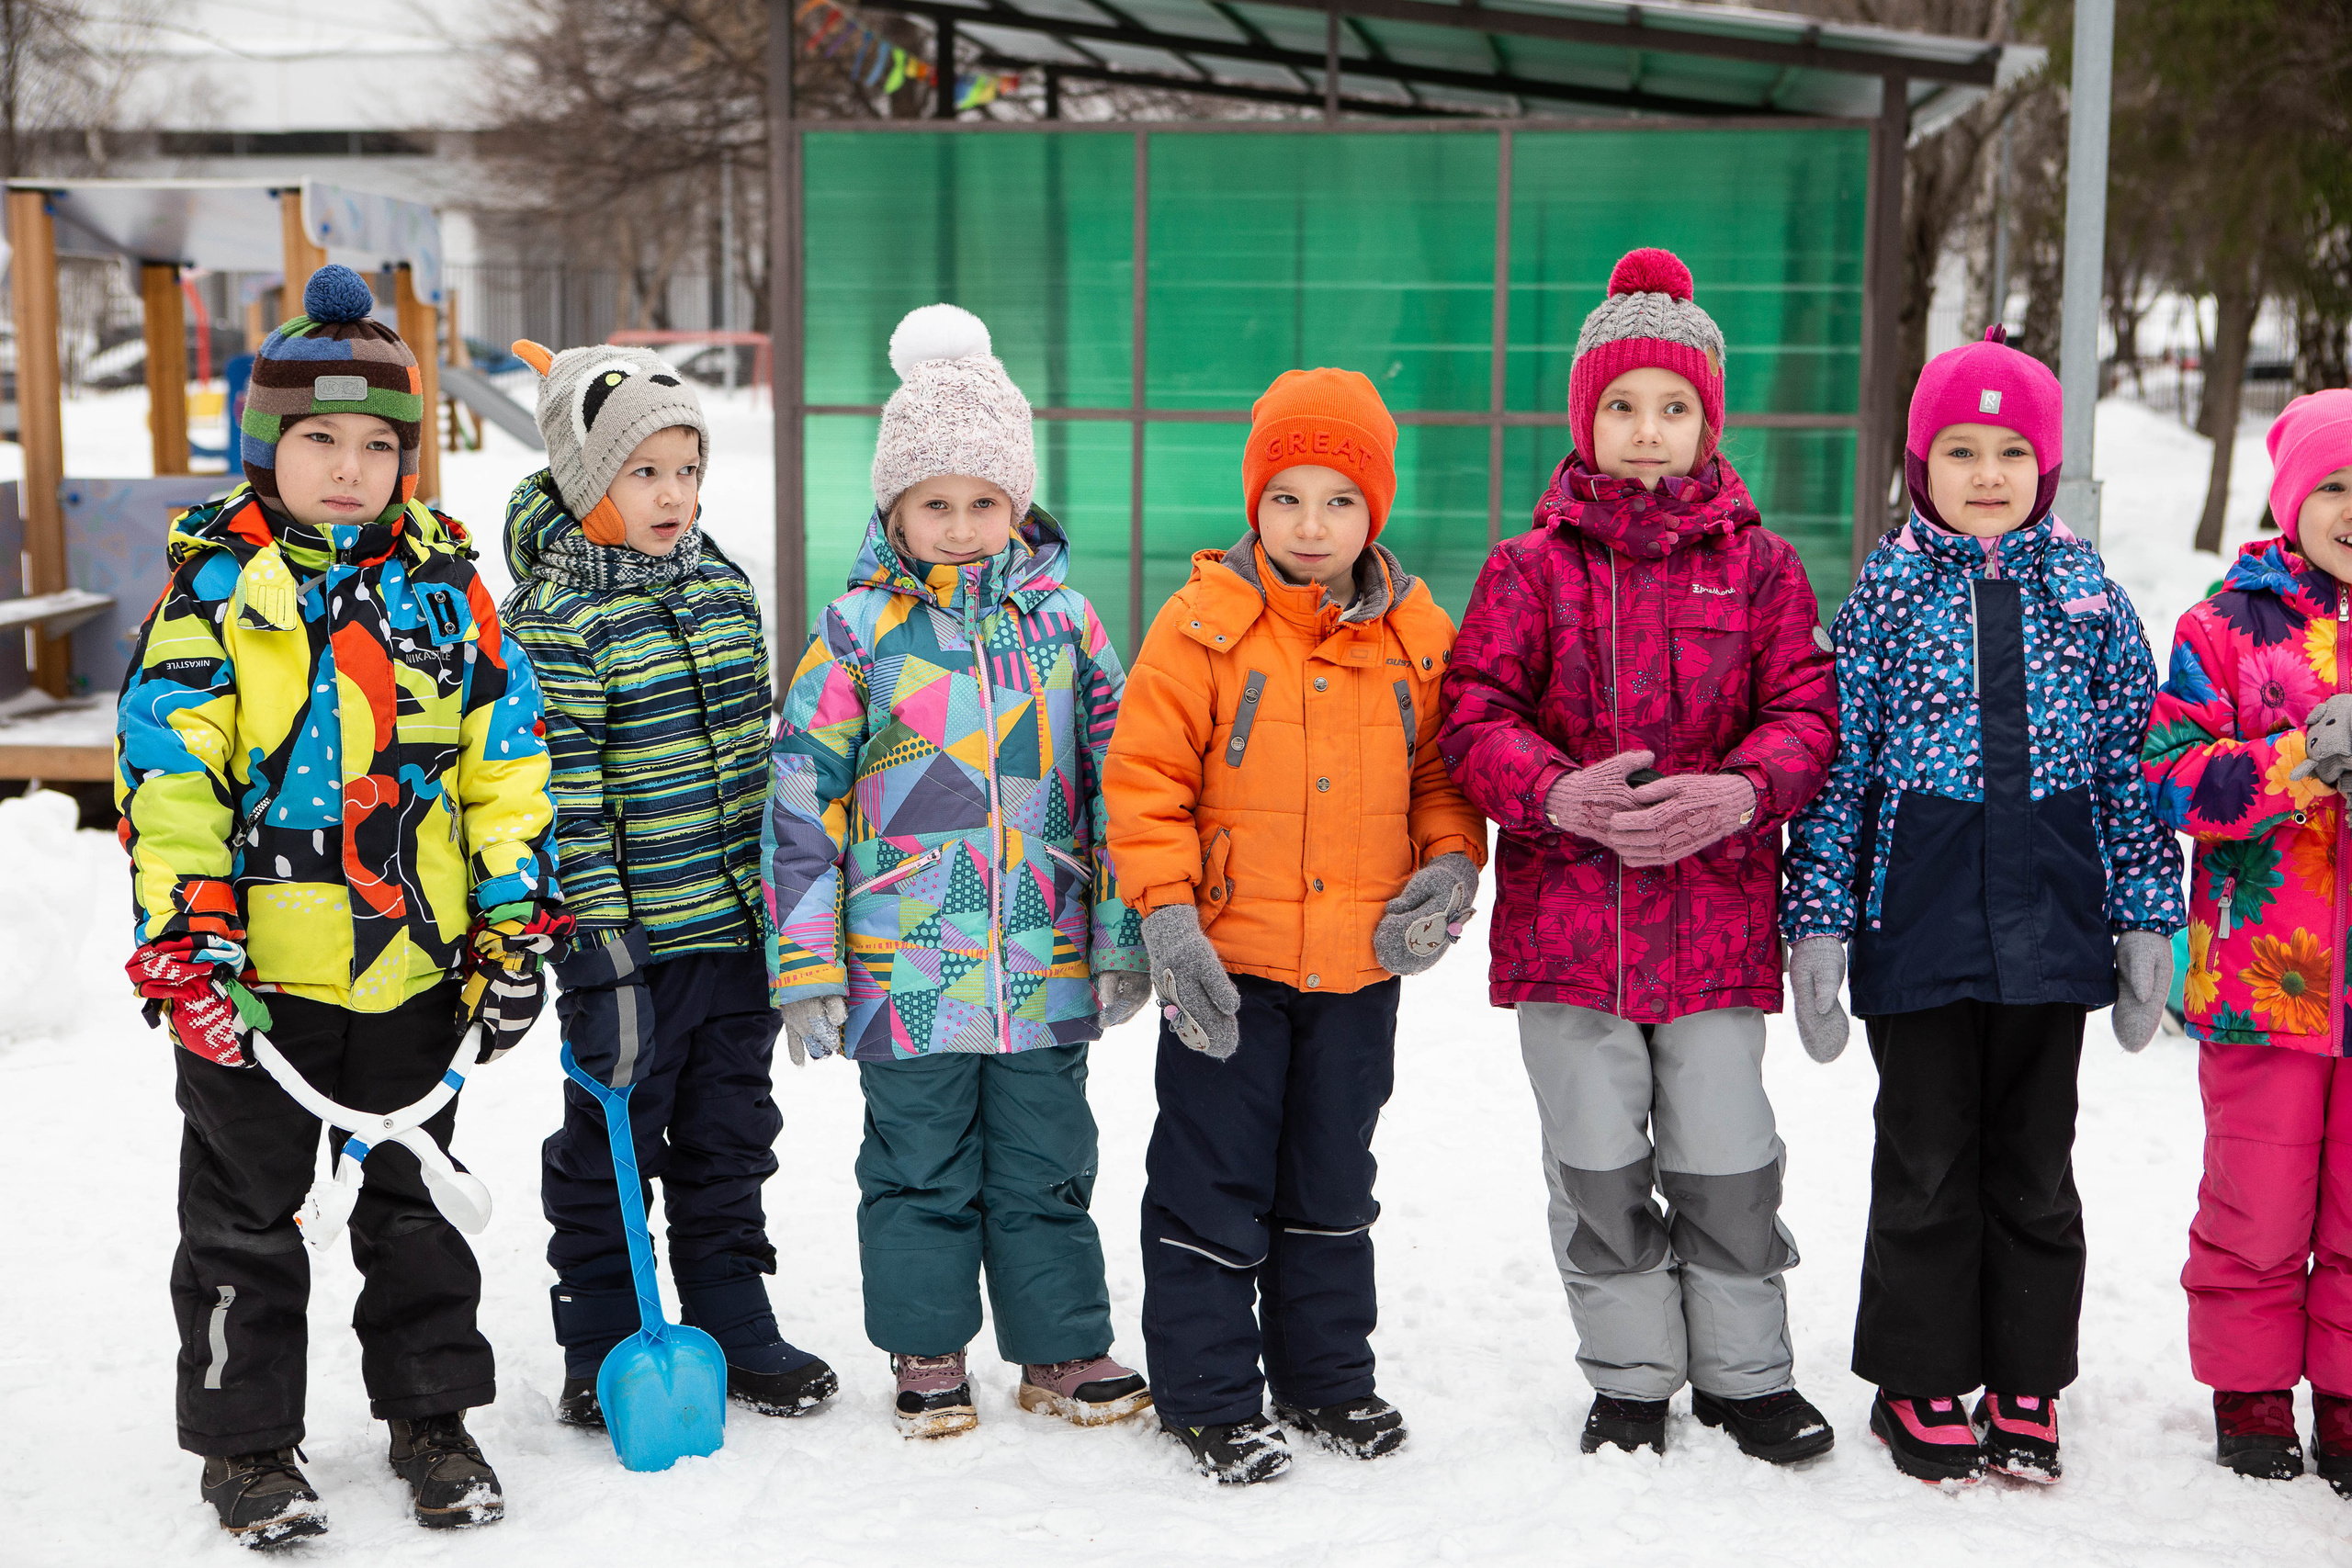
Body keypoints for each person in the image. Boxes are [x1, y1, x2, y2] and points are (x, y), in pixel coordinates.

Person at [116, 265, 565, 1544]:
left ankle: (432, 1413)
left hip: (412, 974)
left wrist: (510, 922)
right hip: (255, 987)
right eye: (319, 437)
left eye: (379, 443)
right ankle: (247, 1441)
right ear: (266, 445)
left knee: (415, 1207)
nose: (350, 466)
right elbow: (172, 782)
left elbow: (504, 768)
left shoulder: (448, 588)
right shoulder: (217, 590)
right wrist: (190, 946)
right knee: (244, 1222)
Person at [1438, 248, 1838, 1468]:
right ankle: (1630, 1379)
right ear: (1584, 419)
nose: (1648, 432)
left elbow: (1810, 712)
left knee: (1727, 1163)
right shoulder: (1526, 570)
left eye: (1674, 408)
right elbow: (1471, 713)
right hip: (1572, 938)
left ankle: (1746, 1375)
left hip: (1714, 933)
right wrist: (1556, 791)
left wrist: (1743, 788)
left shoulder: (1764, 567)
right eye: (1623, 406)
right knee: (1599, 1169)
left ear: (1709, 423)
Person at [1783, 327, 2183, 1485]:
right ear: (1920, 464)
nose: (1988, 473)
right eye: (1960, 450)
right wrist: (1816, 918)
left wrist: (2147, 916)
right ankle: (1915, 1375)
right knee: (1924, 1157)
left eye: (2012, 451)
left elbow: (2130, 771)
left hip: (2052, 921)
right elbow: (1842, 773)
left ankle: (2024, 1375)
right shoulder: (1885, 594)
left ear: (2046, 467)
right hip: (1918, 918)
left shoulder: (2091, 601)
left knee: (2033, 1159)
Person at [763, 304, 1152, 1438]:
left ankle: (1061, 1348)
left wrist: (1124, 935)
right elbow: (801, 800)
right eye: (936, 502)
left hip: (1040, 953)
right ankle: (927, 1348)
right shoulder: (856, 633)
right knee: (919, 1165)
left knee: (1044, 1162)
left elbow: (1125, 783)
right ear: (894, 507)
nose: (963, 525)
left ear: (1018, 503)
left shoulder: (1070, 629)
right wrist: (804, 962)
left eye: (986, 501)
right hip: (906, 962)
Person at [1104, 366, 1488, 1483]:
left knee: (1331, 1179)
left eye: (1337, 499)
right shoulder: (1200, 625)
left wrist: (1449, 865)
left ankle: (1325, 1379)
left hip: (1359, 969)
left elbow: (1441, 777)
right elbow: (1144, 782)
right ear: (1253, 503)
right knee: (1211, 1176)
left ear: (1376, 509)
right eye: (1286, 497)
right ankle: (1209, 1396)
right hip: (1225, 964)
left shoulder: (1419, 634)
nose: (1310, 524)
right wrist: (1169, 925)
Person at [501, 339, 839, 1430]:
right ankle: (603, 1337)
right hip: (631, 947)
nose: (675, 495)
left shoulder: (720, 583)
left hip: (735, 927)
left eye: (688, 469)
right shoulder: (554, 619)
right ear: (587, 479)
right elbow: (569, 802)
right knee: (611, 1139)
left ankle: (732, 1313)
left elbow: (757, 753)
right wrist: (597, 945)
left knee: (732, 1130)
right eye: (646, 471)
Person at [2142, 386, 2352, 1495]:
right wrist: (2294, 767)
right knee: (2257, 1197)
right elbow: (2170, 775)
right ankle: (2251, 1384)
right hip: (2260, 979)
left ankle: (2349, 1387)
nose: (2351, 508)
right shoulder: (2225, 627)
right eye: (2331, 486)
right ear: (2288, 501)